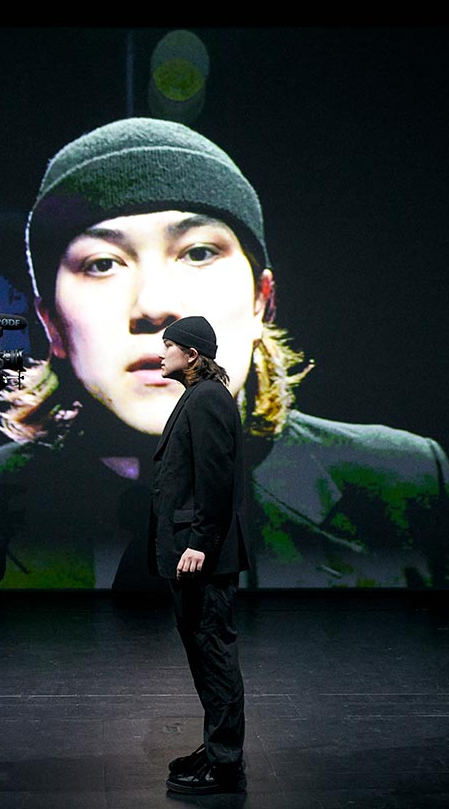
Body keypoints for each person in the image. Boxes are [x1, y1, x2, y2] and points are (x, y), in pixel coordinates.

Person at [0, 116, 449, 592]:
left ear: (262, 301)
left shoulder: (400, 485)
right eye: (103, 263)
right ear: (51, 323)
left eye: (198, 253)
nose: (154, 306)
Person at [150, 315, 249, 795]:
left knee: (214, 655)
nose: (160, 352)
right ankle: (216, 749)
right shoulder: (199, 396)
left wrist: (200, 542)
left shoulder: (207, 398)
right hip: (193, 552)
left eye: (168, 345)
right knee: (204, 654)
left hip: (202, 555)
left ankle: (225, 763)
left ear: (191, 355)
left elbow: (216, 478)